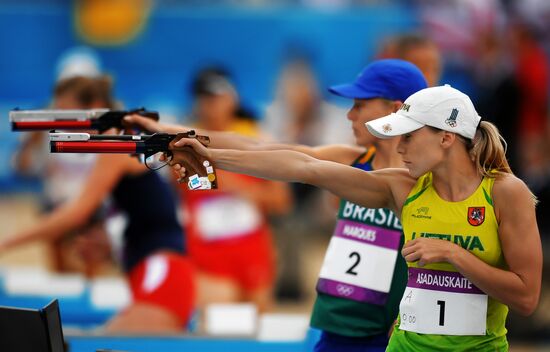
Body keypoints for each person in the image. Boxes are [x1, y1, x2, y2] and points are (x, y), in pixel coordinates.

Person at [170, 85, 542, 351]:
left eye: (409, 137)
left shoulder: (506, 193)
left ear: (446, 138)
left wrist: (454, 254)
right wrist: (211, 157)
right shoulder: (403, 187)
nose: (399, 148)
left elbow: (526, 298)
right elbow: (305, 167)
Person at [125, 58, 428, 350]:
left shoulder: (421, 183)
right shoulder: (352, 159)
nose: (349, 115)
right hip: (337, 322)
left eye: (359, 105)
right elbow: (262, 147)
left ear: (394, 109)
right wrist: (168, 130)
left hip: (388, 332)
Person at [2, 75, 195, 333]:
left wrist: (5, 244)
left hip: (163, 272)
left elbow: (75, 214)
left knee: (97, 343)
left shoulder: (116, 145)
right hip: (151, 272)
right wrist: (108, 243)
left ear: (93, 105)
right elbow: (148, 214)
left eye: (64, 115)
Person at [181, 67, 291, 312]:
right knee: (220, 325)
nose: (212, 105)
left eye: (218, 97)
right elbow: (182, 188)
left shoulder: (257, 140)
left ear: (233, 98)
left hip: (252, 253)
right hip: (207, 255)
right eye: (205, 98)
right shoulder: (184, 143)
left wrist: (237, 187)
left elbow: (281, 201)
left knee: (258, 330)